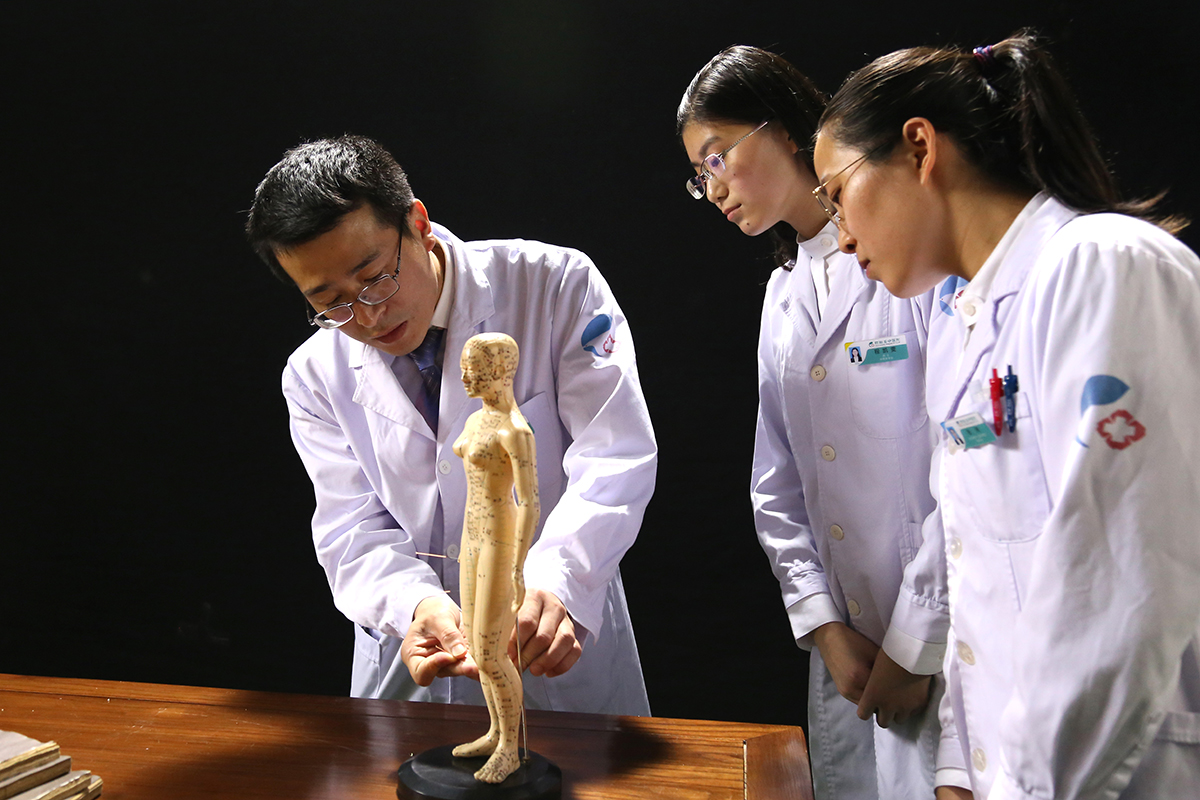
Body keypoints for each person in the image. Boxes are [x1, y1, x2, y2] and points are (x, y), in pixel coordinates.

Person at [813, 29, 1200, 800]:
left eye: (837, 194)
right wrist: (961, 770)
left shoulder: (1100, 266)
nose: (841, 237)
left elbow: (1121, 587)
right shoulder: (961, 323)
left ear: (919, 148)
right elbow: (981, 575)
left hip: (1114, 773)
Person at [245, 135, 656, 716]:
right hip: (415, 654)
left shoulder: (553, 284)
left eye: (375, 277)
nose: (369, 315)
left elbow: (613, 455)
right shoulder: (314, 374)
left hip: (548, 623)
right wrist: (414, 603)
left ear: (418, 224)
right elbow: (351, 529)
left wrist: (561, 577)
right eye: (331, 302)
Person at [677, 46, 957, 799]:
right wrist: (824, 625)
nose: (713, 187)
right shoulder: (783, 295)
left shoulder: (914, 264)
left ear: (783, 128)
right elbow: (776, 484)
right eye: (699, 174)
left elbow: (964, 468)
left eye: (718, 157)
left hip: (943, 637)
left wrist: (914, 641)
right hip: (847, 653)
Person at [451, 333, 537, 784]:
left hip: (499, 543)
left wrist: (520, 566)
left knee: (490, 653)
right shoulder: (475, 419)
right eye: (465, 368)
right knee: (474, 644)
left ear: (502, 371)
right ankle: (494, 731)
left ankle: (510, 747)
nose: (466, 377)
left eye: (476, 369)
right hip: (471, 537)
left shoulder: (515, 431)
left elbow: (530, 503)